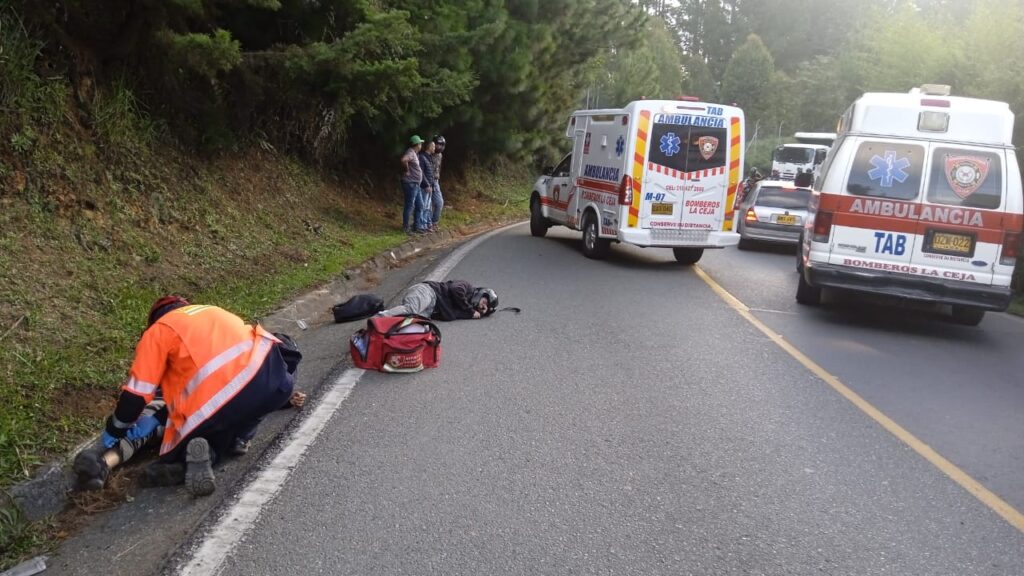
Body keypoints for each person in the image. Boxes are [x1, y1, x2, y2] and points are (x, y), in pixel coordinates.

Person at [96, 296, 302, 497]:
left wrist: (116, 429)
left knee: (207, 429)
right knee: (250, 401)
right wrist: (284, 397)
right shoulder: (213, 311)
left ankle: (192, 460)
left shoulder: (158, 332)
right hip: (273, 384)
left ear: (154, 320)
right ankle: (240, 438)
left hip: (216, 407)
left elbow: (135, 396)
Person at [379, 280, 498, 321]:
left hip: (429, 310)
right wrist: (471, 311)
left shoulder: (463, 310)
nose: (483, 305)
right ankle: (378, 318)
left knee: (409, 321)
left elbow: (450, 316)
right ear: (483, 293)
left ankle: (380, 328)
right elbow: (455, 289)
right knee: (411, 309)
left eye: (485, 308)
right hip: (428, 291)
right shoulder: (467, 287)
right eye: (485, 302)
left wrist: (473, 313)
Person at [401, 135, 426, 234]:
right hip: (410, 183)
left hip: (416, 184)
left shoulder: (414, 153)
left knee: (420, 205)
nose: (421, 145)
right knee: (409, 205)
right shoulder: (410, 152)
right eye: (420, 143)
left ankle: (417, 226)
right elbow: (403, 160)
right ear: (417, 144)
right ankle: (406, 227)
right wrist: (406, 170)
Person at [418, 140, 437, 233]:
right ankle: (421, 225)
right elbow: (421, 172)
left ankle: (425, 225)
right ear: (429, 147)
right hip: (424, 186)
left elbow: (431, 173)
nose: (435, 148)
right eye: (433, 146)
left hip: (429, 186)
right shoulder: (422, 157)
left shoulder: (429, 158)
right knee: (424, 206)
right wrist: (426, 184)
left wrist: (432, 185)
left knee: (428, 207)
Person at [429, 135, 446, 230]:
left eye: (441, 145)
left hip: (435, 181)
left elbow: (438, 168)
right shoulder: (428, 154)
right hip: (427, 181)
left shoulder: (440, 155)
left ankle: (434, 222)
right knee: (428, 204)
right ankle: (428, 223)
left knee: (439, 203)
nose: (439, 147)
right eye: (437, 144)